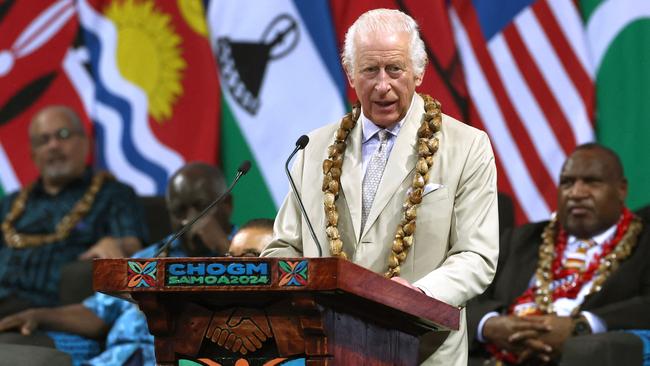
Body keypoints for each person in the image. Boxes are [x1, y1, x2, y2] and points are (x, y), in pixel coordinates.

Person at [261, 9, 499, 365]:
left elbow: (476, 256)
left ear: (419, 71)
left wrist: (418, 294)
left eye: (395, 69)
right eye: (370, 70)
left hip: (422, 350)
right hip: (326, 348)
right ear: (350, 75)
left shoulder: (467, 146)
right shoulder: (313, 149)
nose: (382, 84)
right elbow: (282, 248)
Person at [0, 163, 235, 365]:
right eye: (179, 210)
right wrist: (37, 314)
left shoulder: (252, 246)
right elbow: (97, 313)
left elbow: (257, 314)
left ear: (227, 205)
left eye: (202, 205)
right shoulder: (152, 256)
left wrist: (223, 249)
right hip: (117, 357)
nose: (189, 218)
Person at [467, 144, 650, 365]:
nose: (577, 193)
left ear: (621, 189)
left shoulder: (644, 242)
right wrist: (489, 325)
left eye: (592, 182)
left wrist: (584, 325)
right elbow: (467, 297)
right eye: (567, 182)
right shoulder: (519, 240)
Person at [0, 105, 147, 316]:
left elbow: (134, 244)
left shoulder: (113, 193)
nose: (53, 146)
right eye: (43, 140)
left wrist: (115, 243)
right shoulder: (10, 203)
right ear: (33, 154)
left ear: (85, 142)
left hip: (54, 308)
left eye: (63, 135)